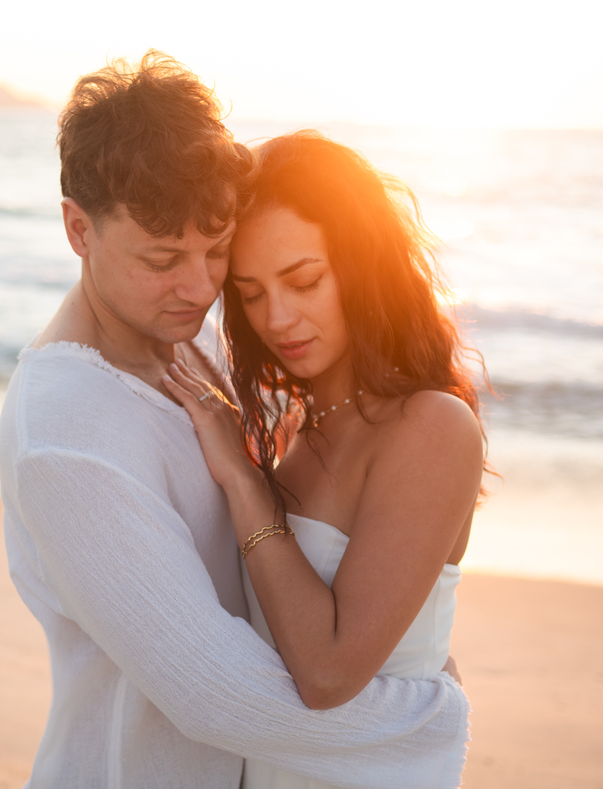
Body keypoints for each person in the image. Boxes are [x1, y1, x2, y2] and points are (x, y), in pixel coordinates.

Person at [0, 52, 469, 788]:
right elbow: (216, 696)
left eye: (216, 251)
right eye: (161, 259)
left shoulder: (191, 348)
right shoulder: (65, 435)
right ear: (78, 230)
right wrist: (433, 717)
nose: (199, 289)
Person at [163, 132, 484, 788]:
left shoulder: (431, 427)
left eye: (304, 280)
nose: (277, 318)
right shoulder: (293, 430)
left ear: (362, 265)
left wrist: (244, 484)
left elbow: (328, 673)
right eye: (250, 293)